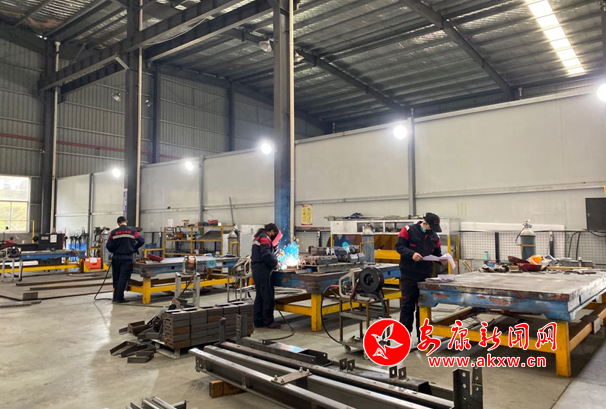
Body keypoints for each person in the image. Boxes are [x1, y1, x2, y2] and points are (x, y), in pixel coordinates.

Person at [395, 213, 447, 342]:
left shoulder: (435, 236)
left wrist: (442, 260)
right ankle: (403, 339)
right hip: (409, 274)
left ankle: (423, 338)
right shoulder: (408, 230)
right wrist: (411, 254)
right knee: (408, 306)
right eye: (430, 228)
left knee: (422, 306)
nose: (432, 231)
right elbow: (399, 246)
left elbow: (437, 253)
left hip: (425, 275)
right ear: (424, 223)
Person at [106, 216, 144, 304]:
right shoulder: (133, 232)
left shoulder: (113, 232)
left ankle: (115, 297)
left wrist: (114, 250)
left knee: (116, 277)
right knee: (123, 277)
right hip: (127, 258)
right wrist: (134, 248)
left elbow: (108, 246)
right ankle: (119, 298)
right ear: (126, 222)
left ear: (118, 223)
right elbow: (141, 241)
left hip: (116, 257)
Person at [251, 223, 281, 329]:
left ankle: (258, 321)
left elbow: (263, 251)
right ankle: (268, 321)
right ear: (272, 231)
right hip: (263, 270)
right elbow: (265, 255)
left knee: (260, 295)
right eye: (274, 234)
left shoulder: (259, 236)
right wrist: (275, 263)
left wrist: (274, 248)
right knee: (267, 295)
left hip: (257, 269)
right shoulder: (265, 238)